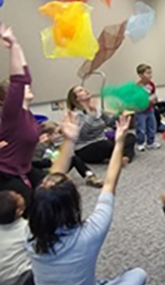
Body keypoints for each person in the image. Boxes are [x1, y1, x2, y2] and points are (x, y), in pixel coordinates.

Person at [25, 113, 147, 285]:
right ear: (72, 204)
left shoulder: (30, 234)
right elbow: (110, 183)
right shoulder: (89, 234)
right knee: (137, 274)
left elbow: (52, 179)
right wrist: (119, 142)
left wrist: (68, 140)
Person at [0, 25, 45, 210]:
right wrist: (14, 46)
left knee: (54, 191)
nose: (28, 86)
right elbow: (20, 80)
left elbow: (25, 77)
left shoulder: (28, 113)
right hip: (6, 173)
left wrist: (16, 47)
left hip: (24, 169)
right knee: (29, 207)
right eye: (21, 89)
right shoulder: (12, 114)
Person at [67, 86, 136, 165]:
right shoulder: (76, 114)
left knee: (129, 137)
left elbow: (109, 122)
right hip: (85, 148)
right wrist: (91, 114)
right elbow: (84, 134)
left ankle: (125, 158)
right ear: (76, 99)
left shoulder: (97, 109)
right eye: (80, 90)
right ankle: (118, 157)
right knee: (106, 145)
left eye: (84, 89)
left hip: (102, 140)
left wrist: (119, 112)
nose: (85, 90)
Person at [32, 121, 103, 188]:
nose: (58, 136)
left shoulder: (51, 144)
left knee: (73, 158)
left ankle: (90, 176)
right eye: (56, 133)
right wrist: (51, 162)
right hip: (45, 173)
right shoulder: (39, 147)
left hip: (55, 167)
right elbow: (34, 162)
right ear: (47, 135)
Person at [0, 191, 34, 285]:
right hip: (20, 278)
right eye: (18, 196)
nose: (20, 194)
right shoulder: (28, 228)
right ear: (19, 211)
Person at [135, 64, 161, 151]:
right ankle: (140, 143)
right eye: (148, 73)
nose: (150, 75)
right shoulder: (138, 86)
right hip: (140, 111)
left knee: (152, 126)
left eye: (151, 73)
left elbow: (153, 94)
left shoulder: (151, 85)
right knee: (141, 127)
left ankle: (150, 142)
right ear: (141, 75)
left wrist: (154, 99)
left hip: (150, 109)